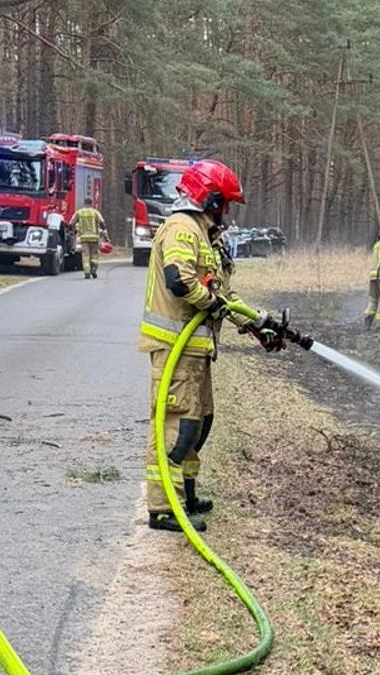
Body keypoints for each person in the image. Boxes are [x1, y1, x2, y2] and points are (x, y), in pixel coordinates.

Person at [138, 159, 291, 531]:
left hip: (197, 352)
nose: (227, 213)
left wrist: (257, 325)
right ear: (209, 199)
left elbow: (223, 295)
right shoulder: (181, 229)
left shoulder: (208, 236)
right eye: (225, 204)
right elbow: (181, 282)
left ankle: (186, 495)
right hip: (176, 349)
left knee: (199, 424)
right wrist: (215, 303)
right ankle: (163, 508)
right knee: (176, 428)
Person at [73, 205, 108, 279]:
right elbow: (102, 223)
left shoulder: (79, 212)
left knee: (86, 255)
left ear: (84, 203)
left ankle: (87, 272)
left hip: (84, 238)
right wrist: (106, 237)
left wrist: (74, 232)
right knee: (94, 255)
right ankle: (94, 269)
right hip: (94, 238)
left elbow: (71, 223)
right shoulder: (95, 212)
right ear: (91, 203)